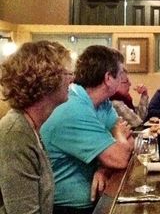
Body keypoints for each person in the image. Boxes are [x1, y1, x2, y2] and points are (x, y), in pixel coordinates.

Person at [41, 45, 134, 214]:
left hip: (98, 199)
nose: (123, 79)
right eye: (120, 74)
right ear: (108, 78)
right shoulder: (73, 108)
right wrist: (118, 137)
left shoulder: (102, 103)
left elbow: (130, 143)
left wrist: (104, 167)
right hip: (66, 208)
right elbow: (120, 157)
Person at [0, 41, 73, 214]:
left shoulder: (28, 126)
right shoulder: (15, 134)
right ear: (46, 79)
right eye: (67, 73)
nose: (72, 78)